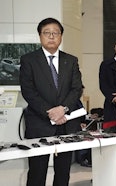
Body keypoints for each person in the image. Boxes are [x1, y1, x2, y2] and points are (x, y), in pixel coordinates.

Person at [19, 17, 83, 186]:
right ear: (40, 36)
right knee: (37, 172)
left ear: (61, 36)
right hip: (39, 124)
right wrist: (50, 112)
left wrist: (63, 109)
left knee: (63, 172)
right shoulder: (29, 60)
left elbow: (77, 89)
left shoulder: (71, 60)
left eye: (56, 33)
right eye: (47, 33)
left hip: (66, 124)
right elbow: (28, 91)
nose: (52, 36)